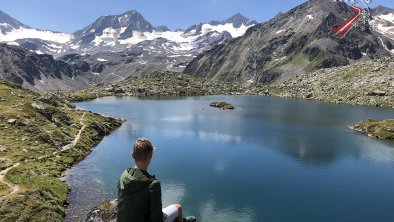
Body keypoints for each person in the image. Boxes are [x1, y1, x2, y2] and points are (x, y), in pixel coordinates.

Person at [117, 138, 196, 222]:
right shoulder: (152, 184)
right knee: (178, 207)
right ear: (150, 156)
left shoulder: (124, 175)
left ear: (133, 155)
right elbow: (157, 219)